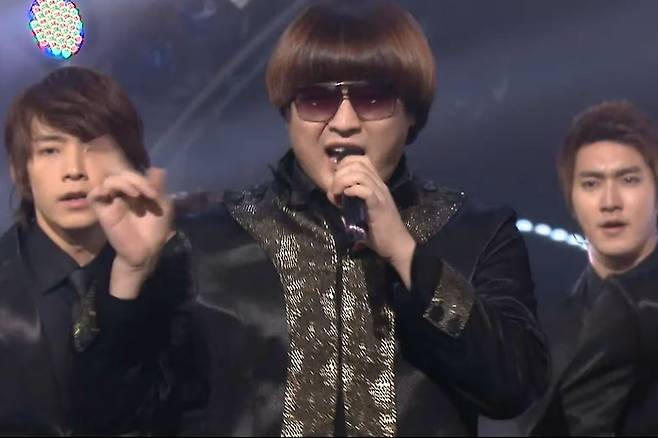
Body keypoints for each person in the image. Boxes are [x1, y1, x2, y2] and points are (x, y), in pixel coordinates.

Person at [176, 0, 549, 435]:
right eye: (317, 99)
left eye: (372, 98)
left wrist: (407, 257)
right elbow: (139, 405)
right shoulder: (212, 240)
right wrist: (127, 282)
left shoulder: (477, 232)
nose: (345, 121)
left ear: (412, 114)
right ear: (287, 113)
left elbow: (516, 386)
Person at [0, 66, 182, 435]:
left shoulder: (180, 276)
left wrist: (133, 275)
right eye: (51, 150)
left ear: (130, 160)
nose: (74, 170)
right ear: (21, 172)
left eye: (93, 148)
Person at [531, 100, 658, 435]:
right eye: (591, 184)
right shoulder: (543, 336)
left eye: (628, 180)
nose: (610, 202)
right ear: (571, 199)